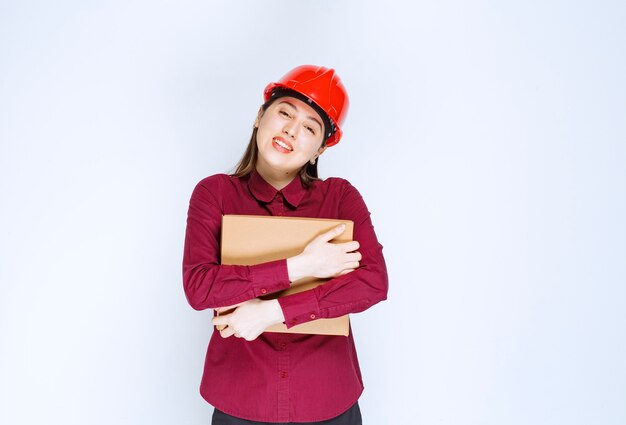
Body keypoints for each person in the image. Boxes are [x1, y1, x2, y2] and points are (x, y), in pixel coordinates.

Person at [182, 65, 388, 424]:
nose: (291, 130)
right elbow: (200, 288)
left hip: (328, 401)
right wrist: (304, 266)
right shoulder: (214, 193)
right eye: (285, 113)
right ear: (261, 116)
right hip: (241, 402)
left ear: (320, 148)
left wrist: (270, 312)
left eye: (310, 127)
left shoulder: (340, 198)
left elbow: (373, 282)